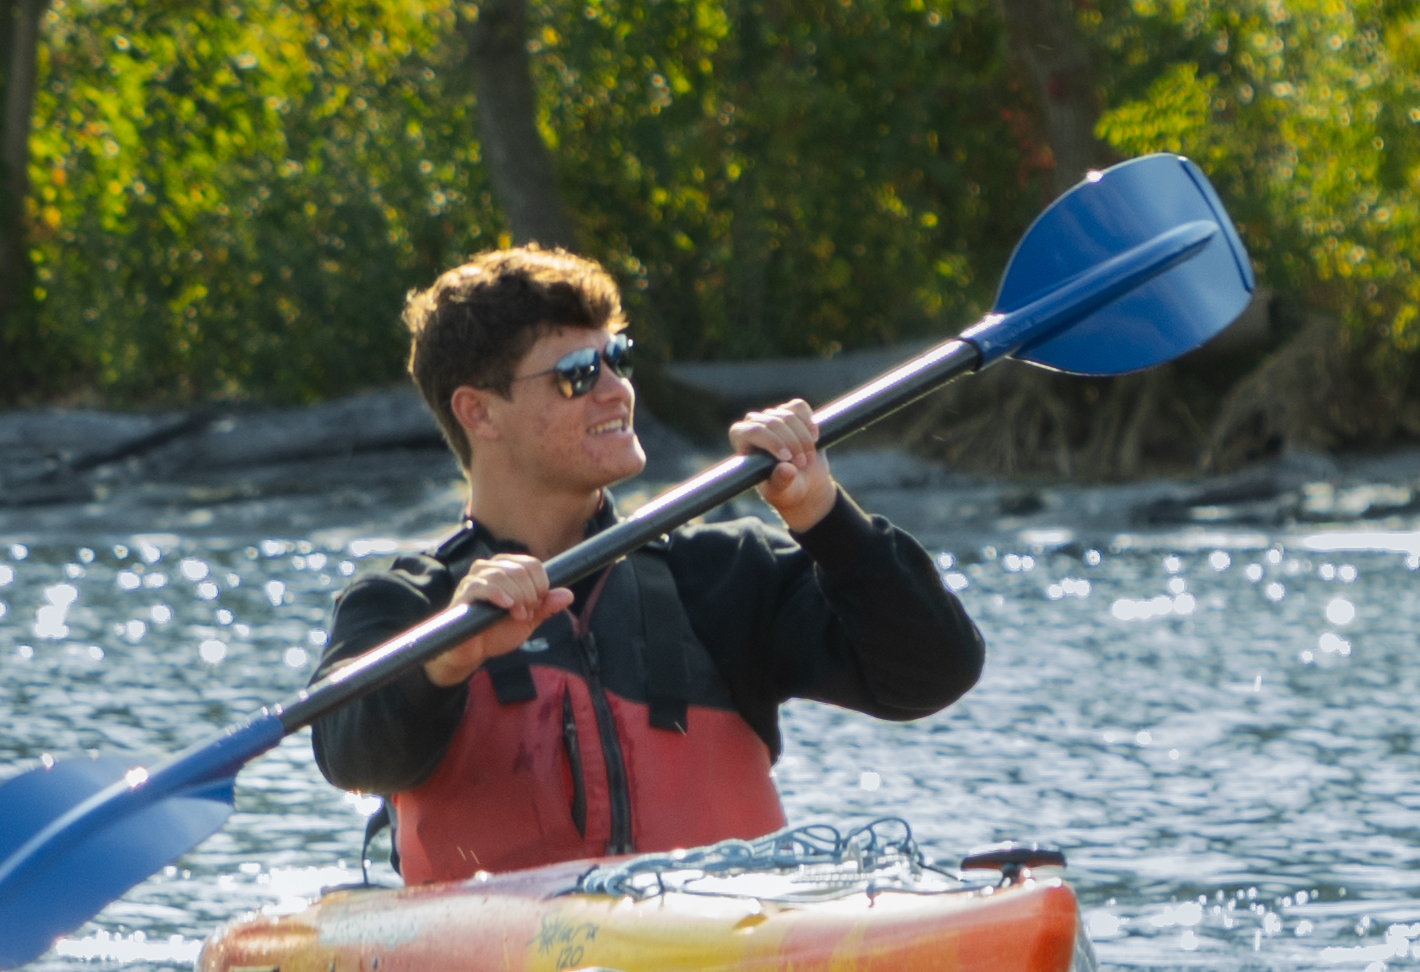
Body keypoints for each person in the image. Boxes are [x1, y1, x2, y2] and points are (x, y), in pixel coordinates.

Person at [308, 243, 988, 883]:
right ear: (478, 413)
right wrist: (447, 658)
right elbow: (349, 755)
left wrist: (824, 515)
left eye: (618, 359)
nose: (616, 390)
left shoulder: (723, 577)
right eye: (577, 375)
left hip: (717, 948)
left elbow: (935, 672)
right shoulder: (405, 604)